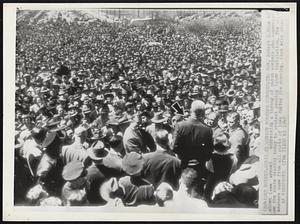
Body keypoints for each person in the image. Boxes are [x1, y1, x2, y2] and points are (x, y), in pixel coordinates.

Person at [172, 100, 213, 178]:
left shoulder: (180, 126)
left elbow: (173, 147)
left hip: (182, 164)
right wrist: (199, 157)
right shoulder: (207, 129)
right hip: (199, 165)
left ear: (191, 110)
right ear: (202, 113)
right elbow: (209, 151)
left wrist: (183, 156)